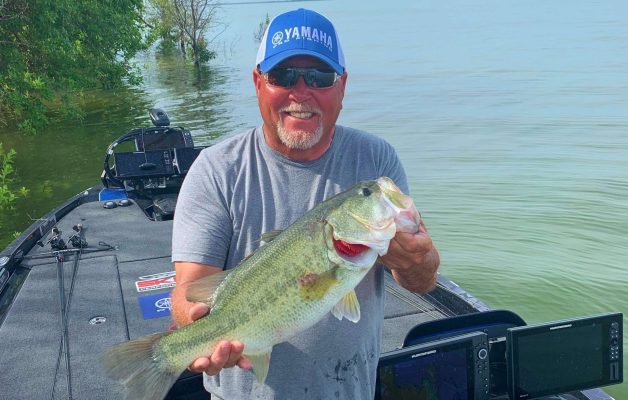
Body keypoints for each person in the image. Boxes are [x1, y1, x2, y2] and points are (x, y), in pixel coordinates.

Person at [171, 8, 440, 400]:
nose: (301, 92)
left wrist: (417, 261)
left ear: (342, 87)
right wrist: (196, 325)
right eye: (283, 76)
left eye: (319, 77)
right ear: (258, 82)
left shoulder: (376, 160)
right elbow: (189, 290)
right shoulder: (215, 170)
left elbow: (422, 281)